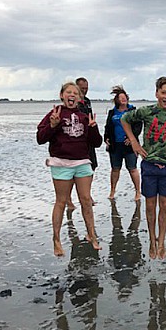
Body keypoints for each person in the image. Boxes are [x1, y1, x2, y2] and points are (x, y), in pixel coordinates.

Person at [121, 76, 166, 259]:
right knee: (150, 205)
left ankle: (161, 241)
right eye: (163, 93)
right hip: (149, 165)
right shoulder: (147, 111)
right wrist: (134, 142)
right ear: (157, 93)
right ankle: (152, 240)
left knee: (165, 204)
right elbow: (125, 119)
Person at [37, 82, 103, 255]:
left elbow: (96, 143)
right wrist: (53, 125)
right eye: (68, 92)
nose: (72, 95)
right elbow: (40, 138)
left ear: (80, 98)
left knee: (86, 199)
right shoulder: (54, 114)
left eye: (75, 93)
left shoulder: (83, 116)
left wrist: (93, 128)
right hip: (61, 163)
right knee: (61, 201)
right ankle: (56, 240)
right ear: (62, 95)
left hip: (82, 162)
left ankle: (92, 234)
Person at [103, 85, 141, 201]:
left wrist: (132, 138)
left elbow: (138, 126)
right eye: (121, 98)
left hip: (129, 145)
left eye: (125, 97)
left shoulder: (133, 111)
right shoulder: (112, 112)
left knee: (132, 168)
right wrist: (106, 138)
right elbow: (108, 127)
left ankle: (138, 192)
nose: (123, 99)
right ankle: (112, 191)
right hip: (115, 145)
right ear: (117, 100)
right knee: (115, 169)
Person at [66, 76, 97, 210]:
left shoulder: (88, 101)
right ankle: (68, 199)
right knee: (72, 173)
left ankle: (87, 195)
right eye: (82, 88)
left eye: (86, 88)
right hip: (76, 141)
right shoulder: (73, 103)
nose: (84, 91)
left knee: (91, 167)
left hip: (88, 140)